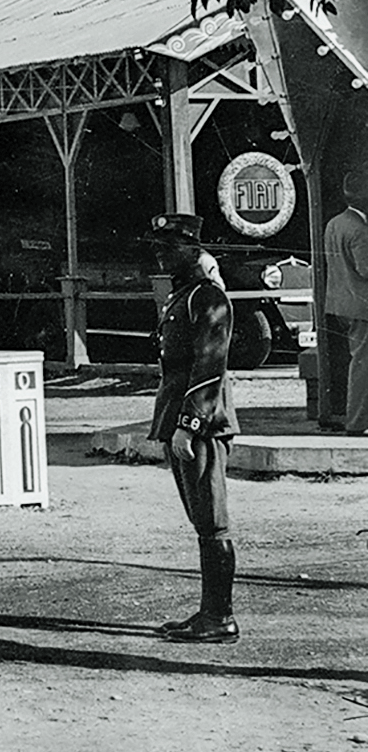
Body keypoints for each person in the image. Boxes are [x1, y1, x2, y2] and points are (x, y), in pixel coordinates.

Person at [147, 212, 239, 642]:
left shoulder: (207, 298)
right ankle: (209, 611)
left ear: (193, 249)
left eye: (169, 248)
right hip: (183, 420)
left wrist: (189, 424)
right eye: (159, 247)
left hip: (202, 424)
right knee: (202, 520)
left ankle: (220, 617)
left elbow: (209, 365)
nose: (161, 255)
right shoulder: (186, 295)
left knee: (212, 521)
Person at [321, 170, 368, 437]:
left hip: (341, 305)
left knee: (359, 363)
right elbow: (366, 269)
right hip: (363, 308)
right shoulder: (361, 230)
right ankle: (357, 422)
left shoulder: (335, 223)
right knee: (362, 366)